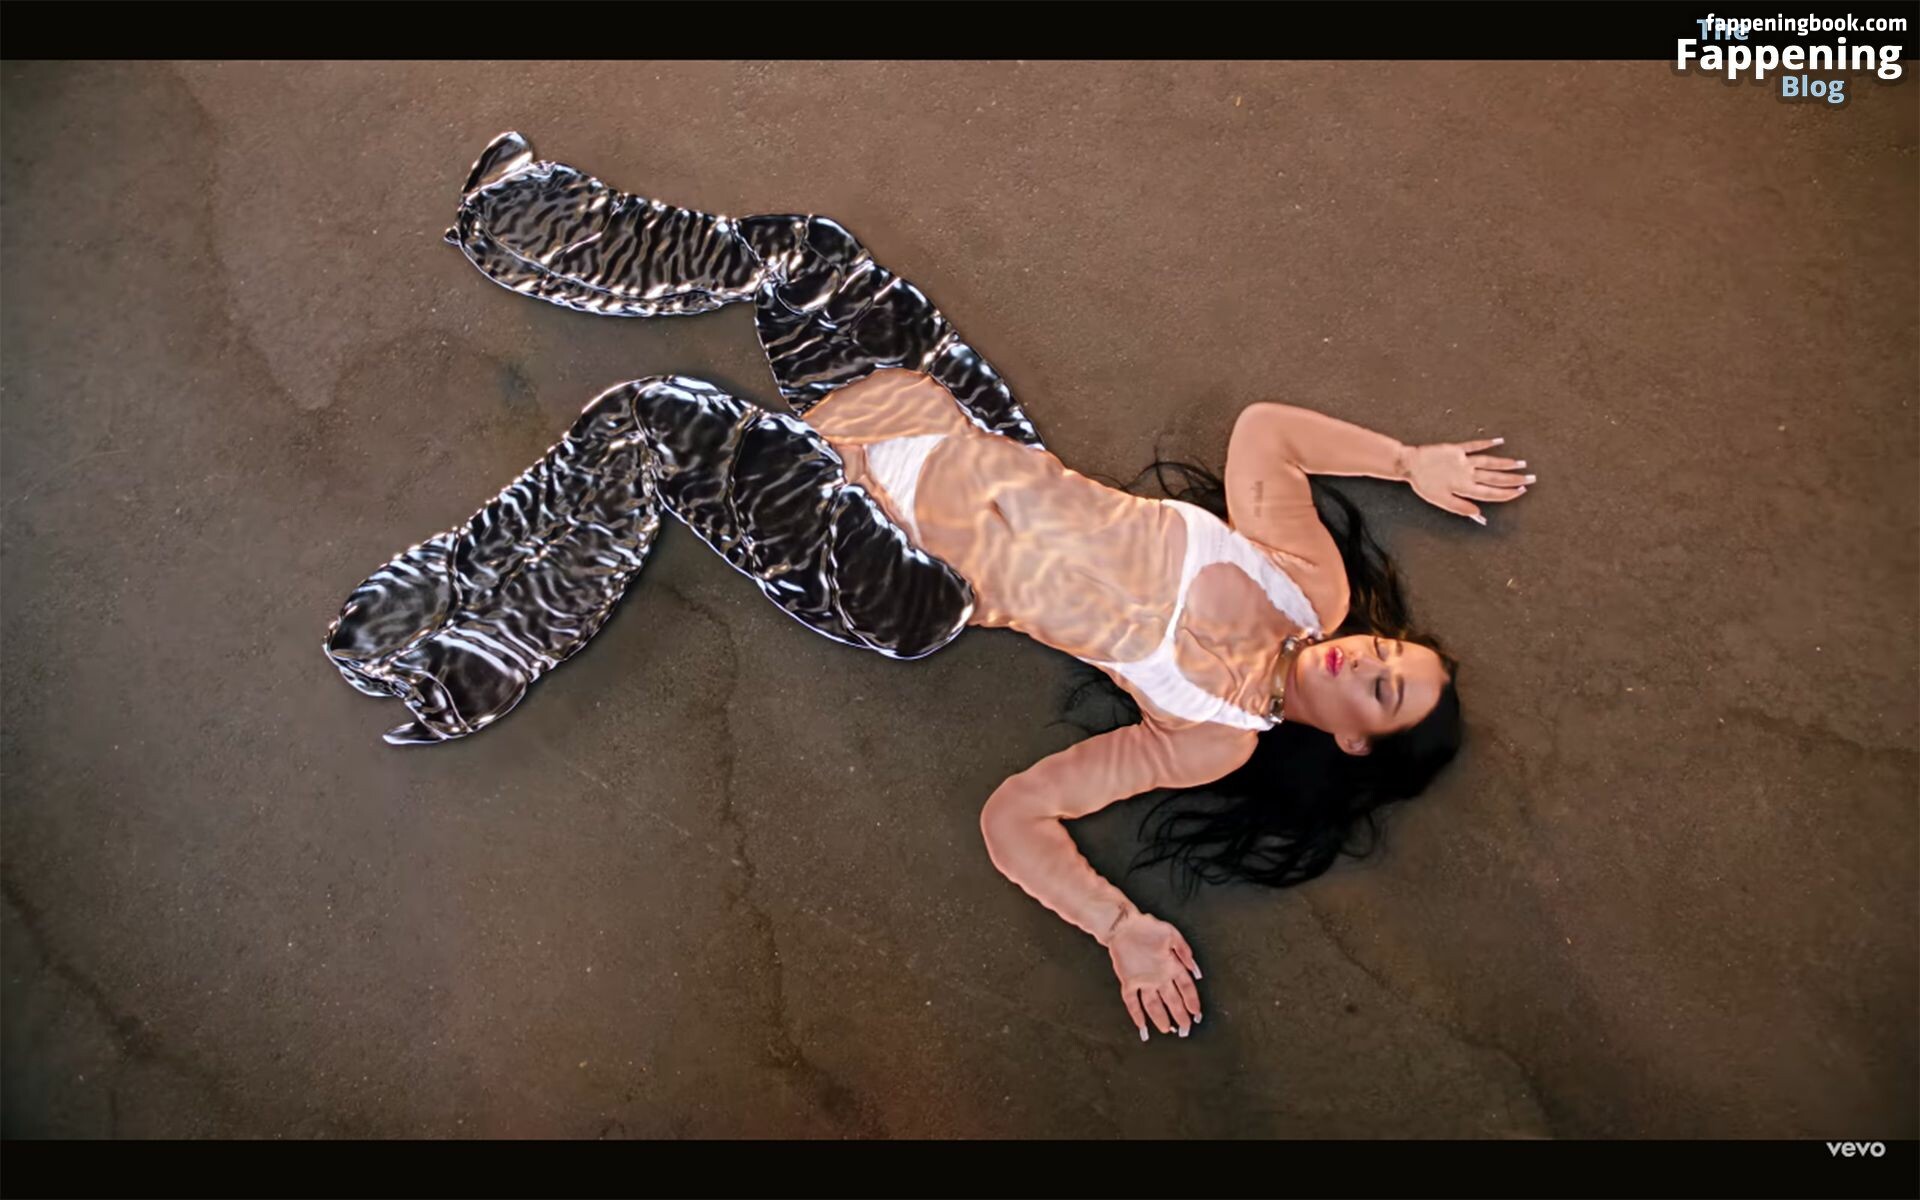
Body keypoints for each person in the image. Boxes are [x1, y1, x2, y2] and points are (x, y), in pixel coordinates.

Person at [324, 132, 1536, 1044]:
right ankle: (522, 222)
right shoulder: (1307, 588)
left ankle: (477, 628)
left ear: (1352, 745)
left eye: (1381, 692)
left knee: (658, 420)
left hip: (890, 567)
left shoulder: (1209, 739)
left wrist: (1116, 924)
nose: (1365, 660)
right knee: (804, 249)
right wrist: (1406, 462)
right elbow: (1268, 431)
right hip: (936, 419)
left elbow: (1018, 815)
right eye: (1392, 653)